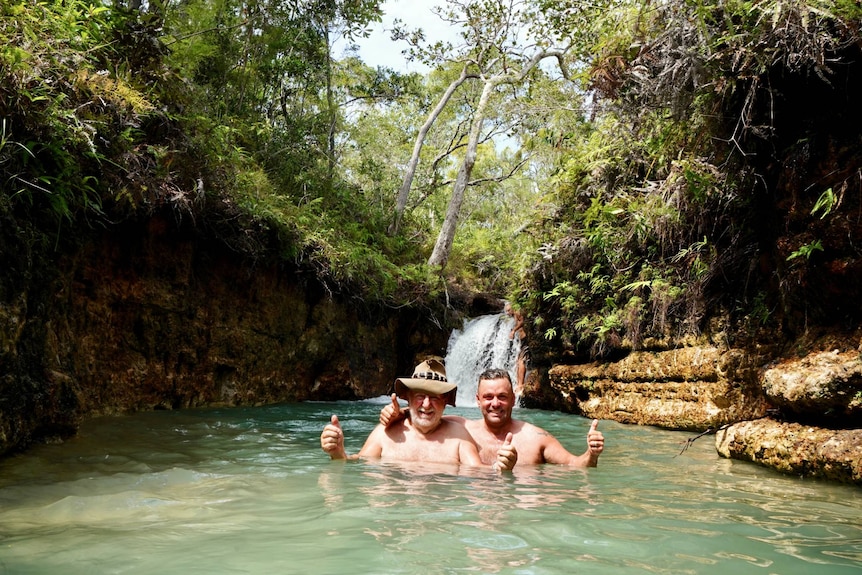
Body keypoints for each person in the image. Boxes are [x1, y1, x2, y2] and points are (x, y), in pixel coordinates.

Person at [380, 368, 604, 468]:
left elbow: (576, 465)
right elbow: (426, 414)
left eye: (502, 397)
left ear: (514, 400)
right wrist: (398, 414)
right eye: (488, 397)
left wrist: (591, 454)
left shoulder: (536, 438)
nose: (494, 403)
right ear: (477, 400)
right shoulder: (459, 426)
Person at [320, 359, 518, 471]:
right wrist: (338, 453)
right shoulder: (385, 432)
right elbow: (356, 464)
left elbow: (480, 473)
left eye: (434, 397)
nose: (426, 404)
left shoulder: (459, 437)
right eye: (420, 396)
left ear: (445, 402)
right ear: (407, 397)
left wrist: (502, 467)